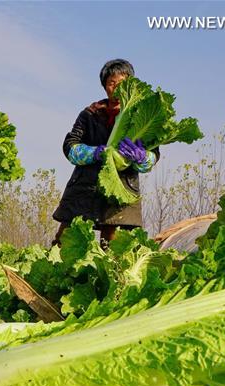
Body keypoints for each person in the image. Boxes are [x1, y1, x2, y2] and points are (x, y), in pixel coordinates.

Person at [52, 59, 158, 246]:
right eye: (112, 83)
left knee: (113, 248)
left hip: (121, 189)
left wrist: (141, 157)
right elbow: (70, 147)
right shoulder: (90, 114)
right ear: (104, 86)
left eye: (122, 84)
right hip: (85, 187)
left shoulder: (143, 114)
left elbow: (153, 155)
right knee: (65, 240)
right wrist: (95, 153)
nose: (117, 90)